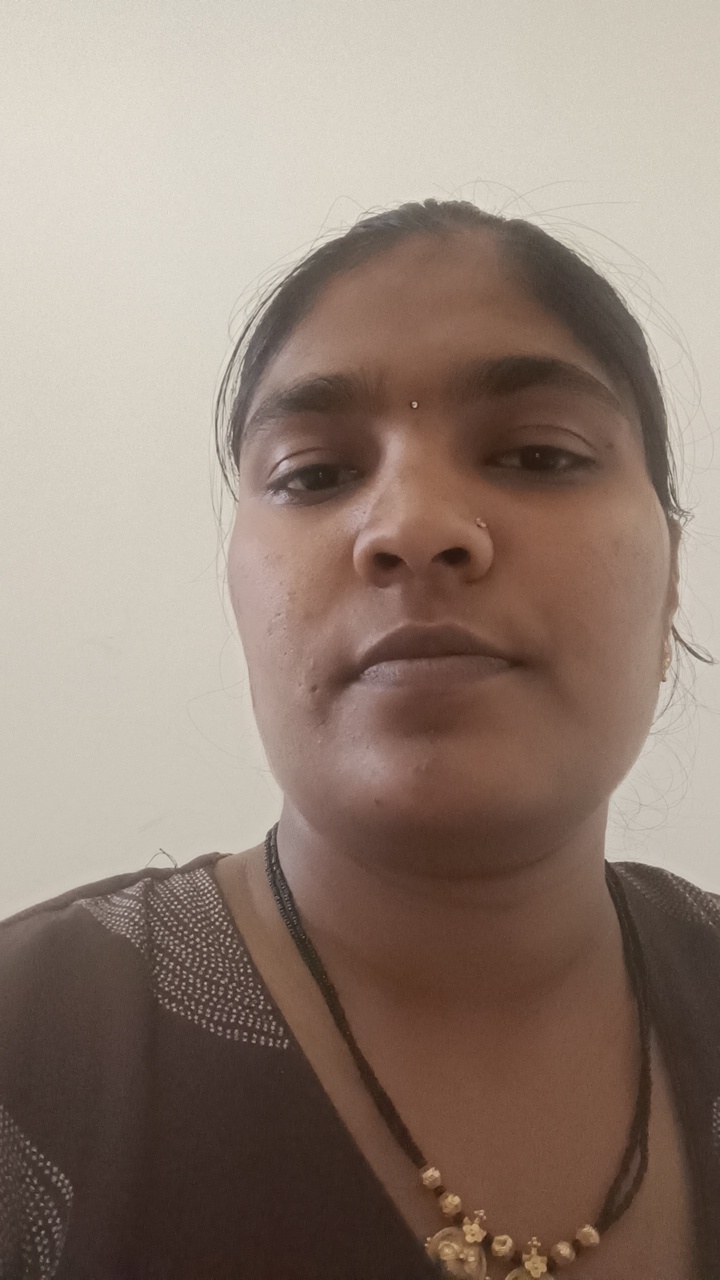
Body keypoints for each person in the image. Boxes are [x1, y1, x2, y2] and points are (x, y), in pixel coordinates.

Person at [1, 199, 718, 1280]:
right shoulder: (30, 1051)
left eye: (538, 453)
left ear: (670, 582)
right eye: (314, 474)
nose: (413, 525)